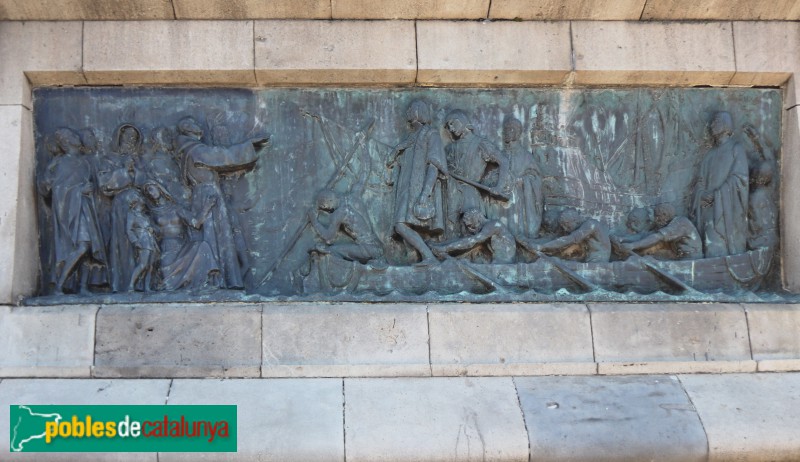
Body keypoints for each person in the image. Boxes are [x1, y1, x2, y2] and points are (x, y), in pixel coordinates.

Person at [177, 116, 269, 289]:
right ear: (188, 129)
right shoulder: (196, 150)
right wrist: (248, 145)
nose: (199, 125)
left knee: (218, 236)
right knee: (214, 236)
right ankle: (215, 279)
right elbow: (222, 157)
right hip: (208, 195)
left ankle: (220, 278)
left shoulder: (190, 150)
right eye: (195, 123)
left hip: (205, 193)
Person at [38, 128, 107, 294]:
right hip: (70, 211)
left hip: (86, 208)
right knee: (83, 246)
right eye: (71, 135)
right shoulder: (60, 162)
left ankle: (83, 286)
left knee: (89, 248)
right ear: (65, 142)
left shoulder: (85, 162)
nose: (76, 137)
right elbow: (53, 189)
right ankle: (59, 285)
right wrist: (79, 191)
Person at [386, 100, 448, 265]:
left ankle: (428, 256)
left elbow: (434, 165)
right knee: (403, 224)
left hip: (419, 190)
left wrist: (425, 193)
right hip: (405, 190)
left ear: (420, 113)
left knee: (400, 225)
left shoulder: (430, 134)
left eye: (412, 109)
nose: (408, 112)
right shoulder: (409, 139)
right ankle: (413, 259)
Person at [444, 109, 510, 236]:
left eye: (453, 123)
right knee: (452, 232)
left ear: (462, 122)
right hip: (450, 193)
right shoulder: (450, 148)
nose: (451, 129)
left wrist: (499, 186)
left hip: (470, 194)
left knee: (470, 232)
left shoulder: (480, 144)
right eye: (448, 126)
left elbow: (504, 161)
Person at [96, 123, 146, 292]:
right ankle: (123, 283)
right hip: (121, 205)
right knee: (124, 241)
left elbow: (145, 181)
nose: (131, 141)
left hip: (139, 206)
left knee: (143, 243)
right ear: (120, 138)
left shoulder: (138, 161)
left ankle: (142, 282)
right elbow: (104, 185)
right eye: (128, 137)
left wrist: (134, 172)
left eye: (134, 138)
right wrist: (125, 171)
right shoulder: (109, 159)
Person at [143, 182, 220, 291]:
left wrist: (207, 207)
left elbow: (196, 223)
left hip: (181, 247)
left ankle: (205, 282)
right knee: (167, 280)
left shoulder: (176, 208)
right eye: (148, 192)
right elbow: (149, 232)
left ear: (159, 188)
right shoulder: (152, 213)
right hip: (166, 250)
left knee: (202, 246)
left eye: (152, 189)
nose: (151, 193)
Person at [692, 111, 749, 257]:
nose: (711, 125)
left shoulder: (736, 149)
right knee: (710, 246)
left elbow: (740, 178)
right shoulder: (709, 155)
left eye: (715, 121)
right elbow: (700, 182)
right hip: (708, 210)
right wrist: (702, 194)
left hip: (726, 209)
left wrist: (717, 194)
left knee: (720, 246)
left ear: (726, 125)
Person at [307, 189, 384, 264]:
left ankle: (341, 274)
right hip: (378, 245)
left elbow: (328, 239)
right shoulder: (353, 196)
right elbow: (359, 185)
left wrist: (314, 220)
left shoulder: (340, 213)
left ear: (328, 203)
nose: (327, 210)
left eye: (324, 207)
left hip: (367, 249)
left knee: (331, 251)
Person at [501, 116, 543, 239]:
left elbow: (536, 177)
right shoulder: (501, 154)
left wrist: (523, 181)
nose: (506, 132)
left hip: (521, 199)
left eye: (510, 129)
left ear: (518, 133)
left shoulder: (526, 156)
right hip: (503, 199)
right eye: (505, 130)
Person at [519, 208, 610, 262]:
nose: (566, 229)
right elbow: (556, 238)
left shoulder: (591, 225)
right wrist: (528, 241)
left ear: (574, 220)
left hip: (598, 261)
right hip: (589, 260)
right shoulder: (584, 227)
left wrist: (541, 247)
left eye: (566, 225)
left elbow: (570, 239)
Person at [430, 208, 516, 264]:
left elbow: (471, 241)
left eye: (471, 225)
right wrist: (440, 245)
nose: (470, 227)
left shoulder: (493, 225)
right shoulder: (485, 230)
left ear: (476, 219)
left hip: (503, 261)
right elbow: (466, 240)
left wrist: (445, 248)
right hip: (497, 260)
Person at [620, 203, 703, 260]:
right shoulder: (668, 225)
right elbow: (646, 236)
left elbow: (656, 237)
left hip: (692, 259)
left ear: (664, 214)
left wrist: (632, 246)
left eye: (657, 216)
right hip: (681, 258)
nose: (656, 219)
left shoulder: (680, 222)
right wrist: (622, 239)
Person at [126, 196, 159, 292]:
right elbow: (129, 230)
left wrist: (152, 229)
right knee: (143, 264)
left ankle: (147, 287)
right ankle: (131, 285)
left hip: (151, 240)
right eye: (141, 202)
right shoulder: (132, 214)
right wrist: (135, 241)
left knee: (150, 266)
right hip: (142, 241)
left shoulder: (145, 216)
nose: (143, 203)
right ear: (136, 203)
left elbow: (154, 228)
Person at [747, 160, 778, 250]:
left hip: (762, 237)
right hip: (770, 235)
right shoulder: (767, 193)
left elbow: (757, 219)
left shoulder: (756, 196)